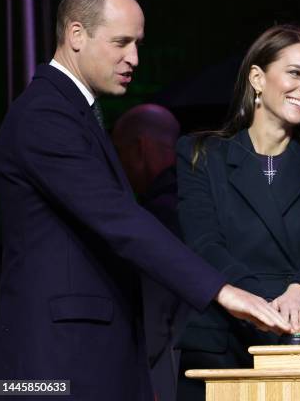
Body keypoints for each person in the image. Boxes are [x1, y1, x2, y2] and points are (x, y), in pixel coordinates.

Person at [0, 0, 289, 401]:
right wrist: (220, 290)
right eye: (121, 42)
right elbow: (120, 219)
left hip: (82, 359)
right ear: (76, 34)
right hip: (53, 368)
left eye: (138, 43)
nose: (133, 58)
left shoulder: (72, 113)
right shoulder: (45, 115)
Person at [175, 24, 300, 400]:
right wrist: (265, 302)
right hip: (220, 346)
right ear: (257, 77)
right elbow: (203, 245)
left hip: (297, 345)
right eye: (295, 73)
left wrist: (299, 289)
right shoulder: (200, 154)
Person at [112, 103, 186, 401]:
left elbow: (153, 318)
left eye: (118, 152)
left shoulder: (155, 217)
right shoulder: (202, 199)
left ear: (139, 148)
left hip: (168, 375)